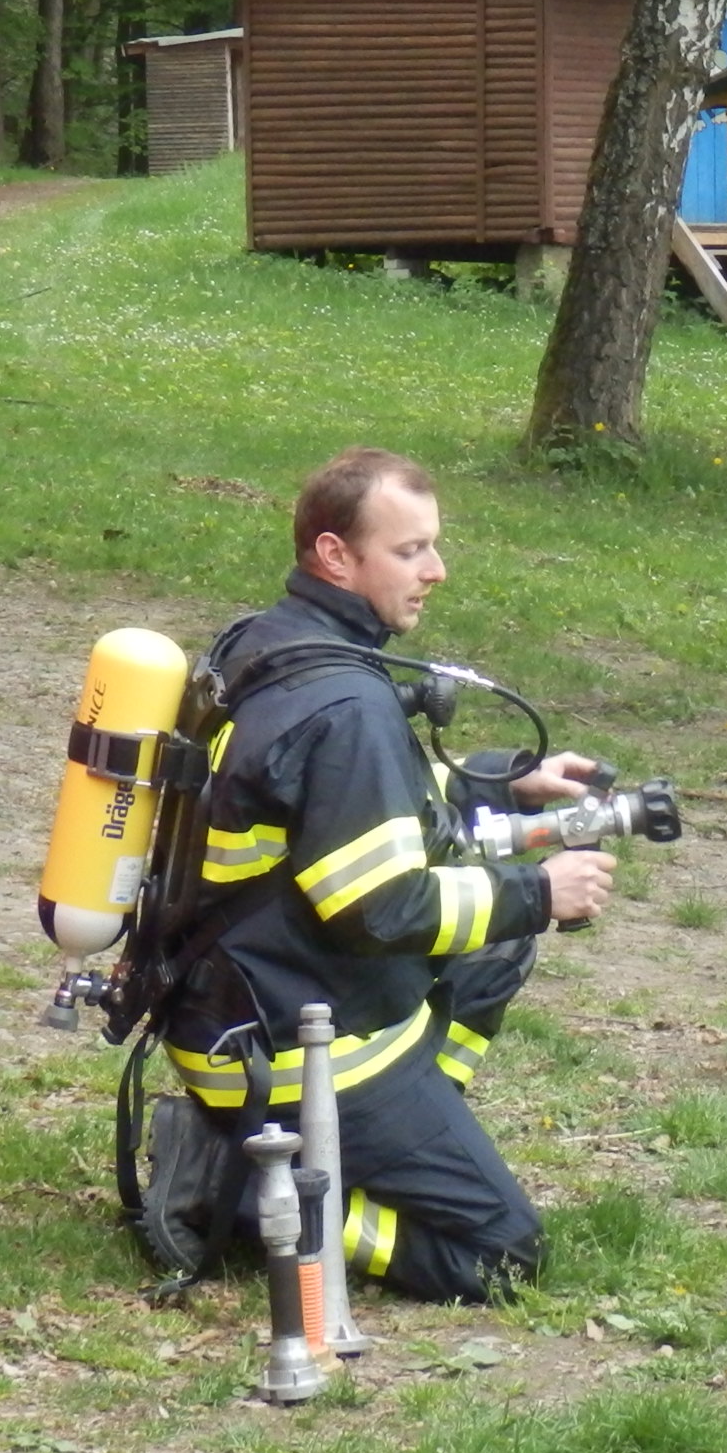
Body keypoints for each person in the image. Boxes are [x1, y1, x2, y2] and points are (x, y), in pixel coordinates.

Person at [155, 448, 616, 1301]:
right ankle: (254, 1192)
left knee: (491, 953)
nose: (436, 571)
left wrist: (498, 781)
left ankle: (389, 1136)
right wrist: (541, 893)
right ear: (336, 556)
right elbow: (379, 906)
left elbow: (345, 814)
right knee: (504, 1257)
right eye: (410, 551)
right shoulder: (346, 706)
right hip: (287, 1043)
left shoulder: (274, 642)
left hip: (226, 999)